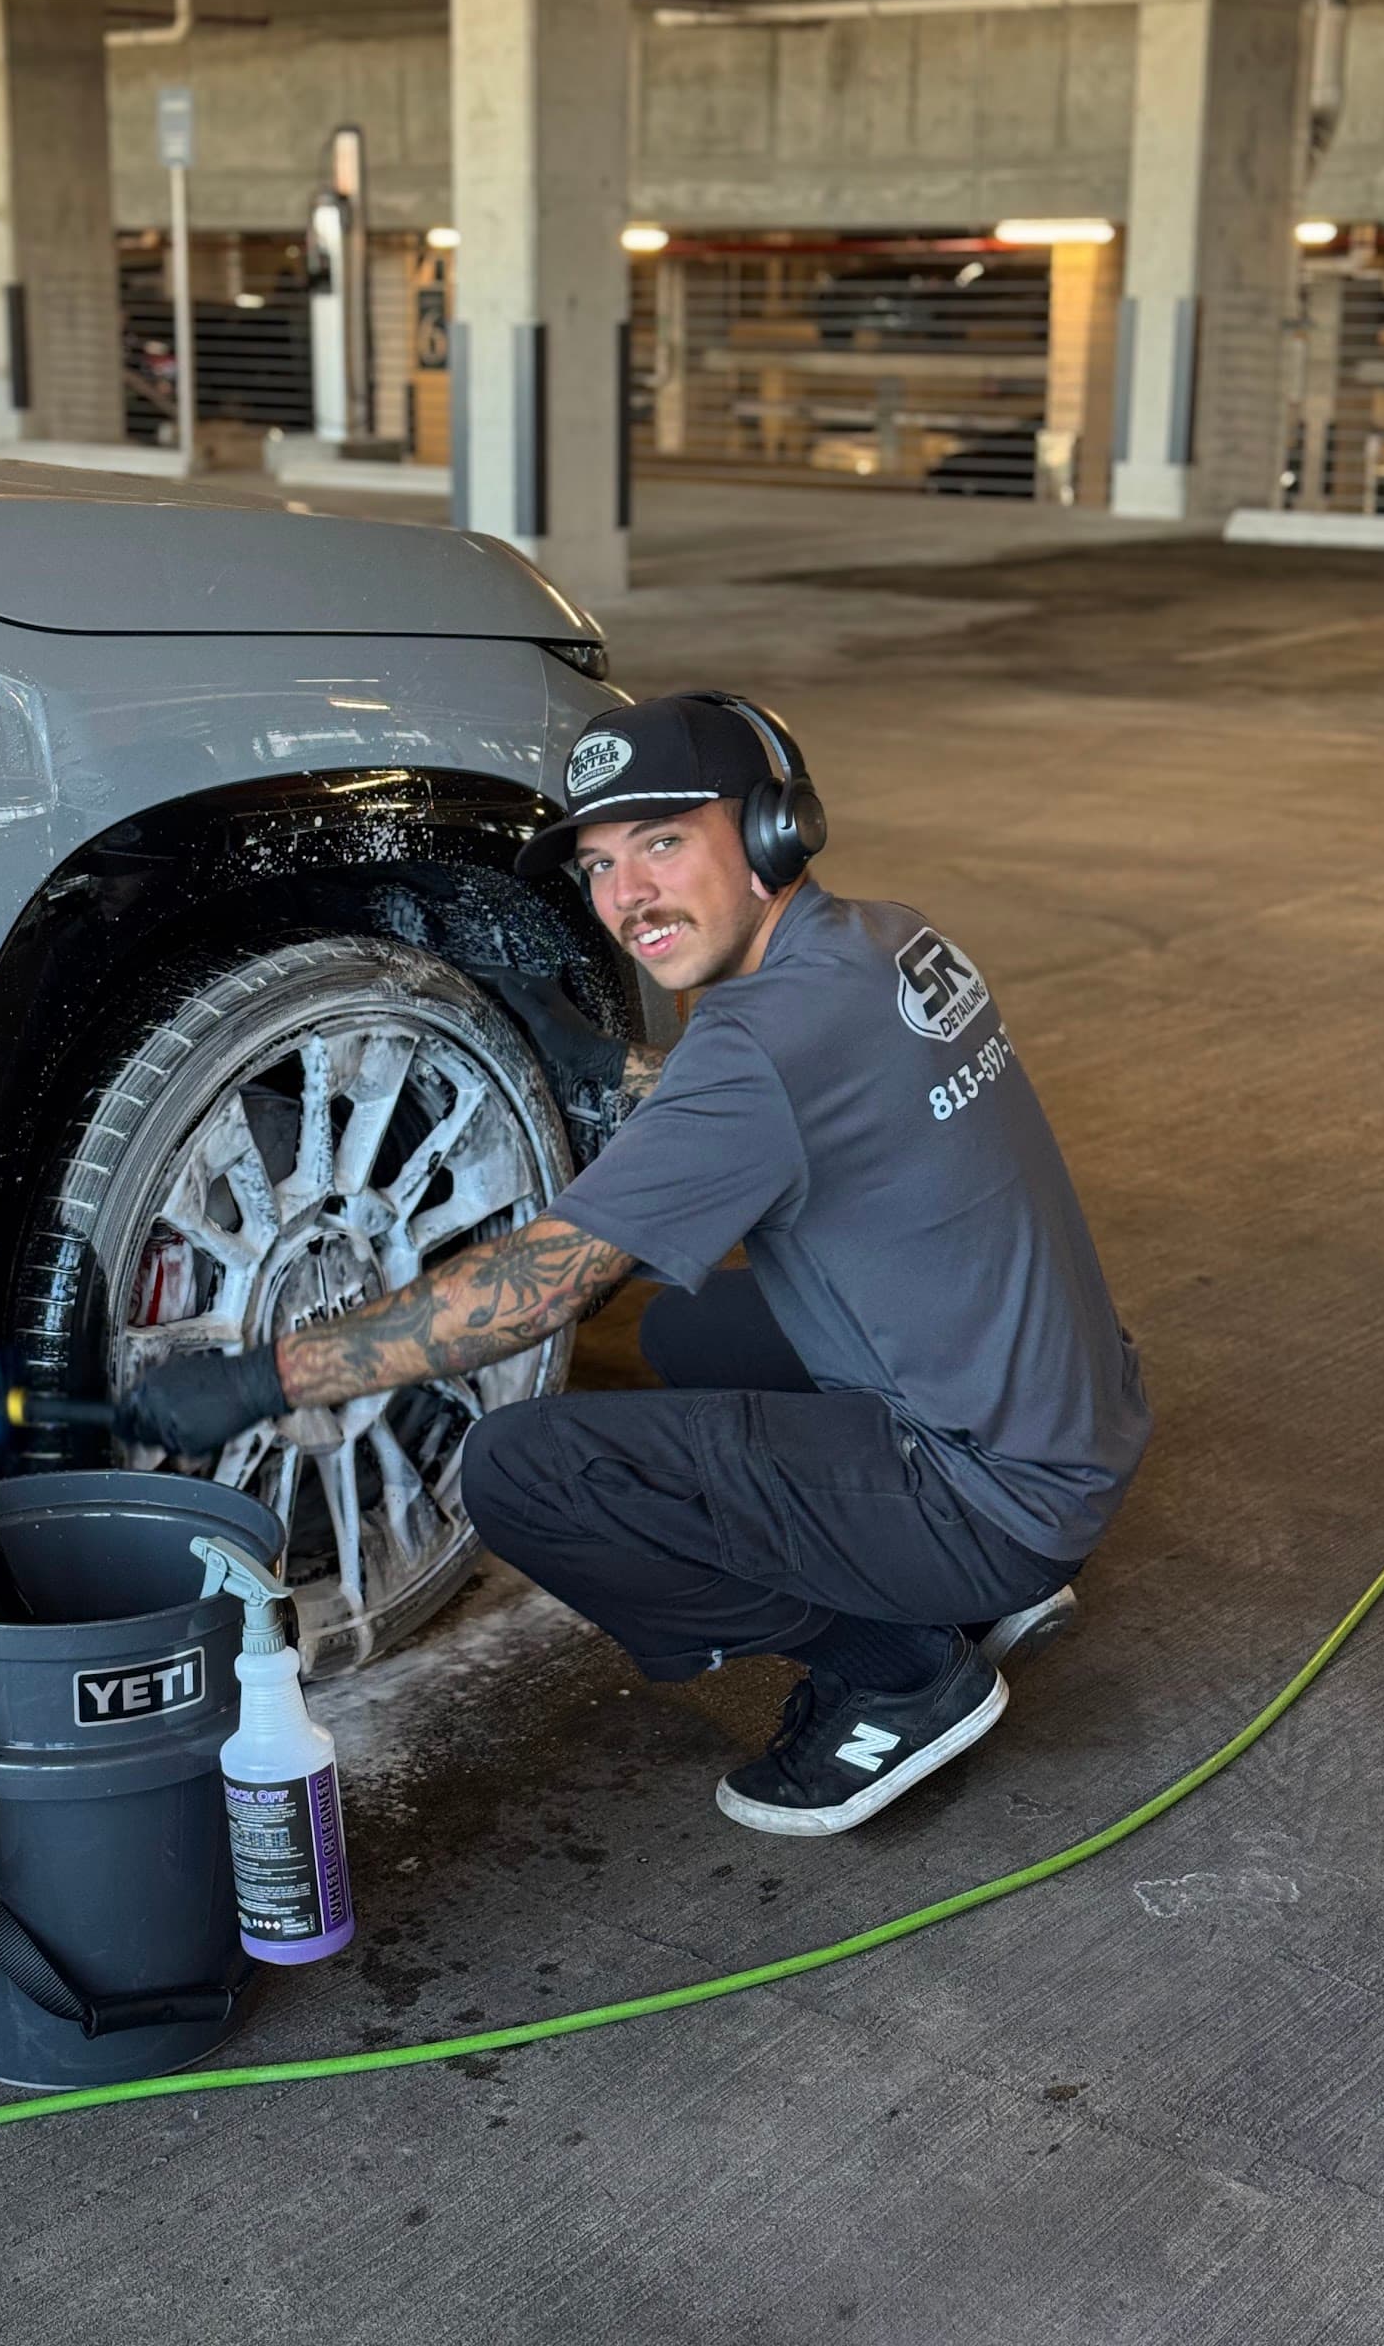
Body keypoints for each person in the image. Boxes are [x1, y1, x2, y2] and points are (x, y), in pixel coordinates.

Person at [120, 693, 1151, 1837]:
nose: (628, 900)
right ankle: (975, 1576)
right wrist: (601, 1065)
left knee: (523, 1469)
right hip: (1077, 1415)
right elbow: (772, 1119)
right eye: (603, 864)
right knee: (686, 1332)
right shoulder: (886, 943)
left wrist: (272, 1377)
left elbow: (546, 1282)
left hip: (992, 1495)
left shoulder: (759, 1041)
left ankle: (897, 1666)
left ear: (773, 831)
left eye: (664, 842)